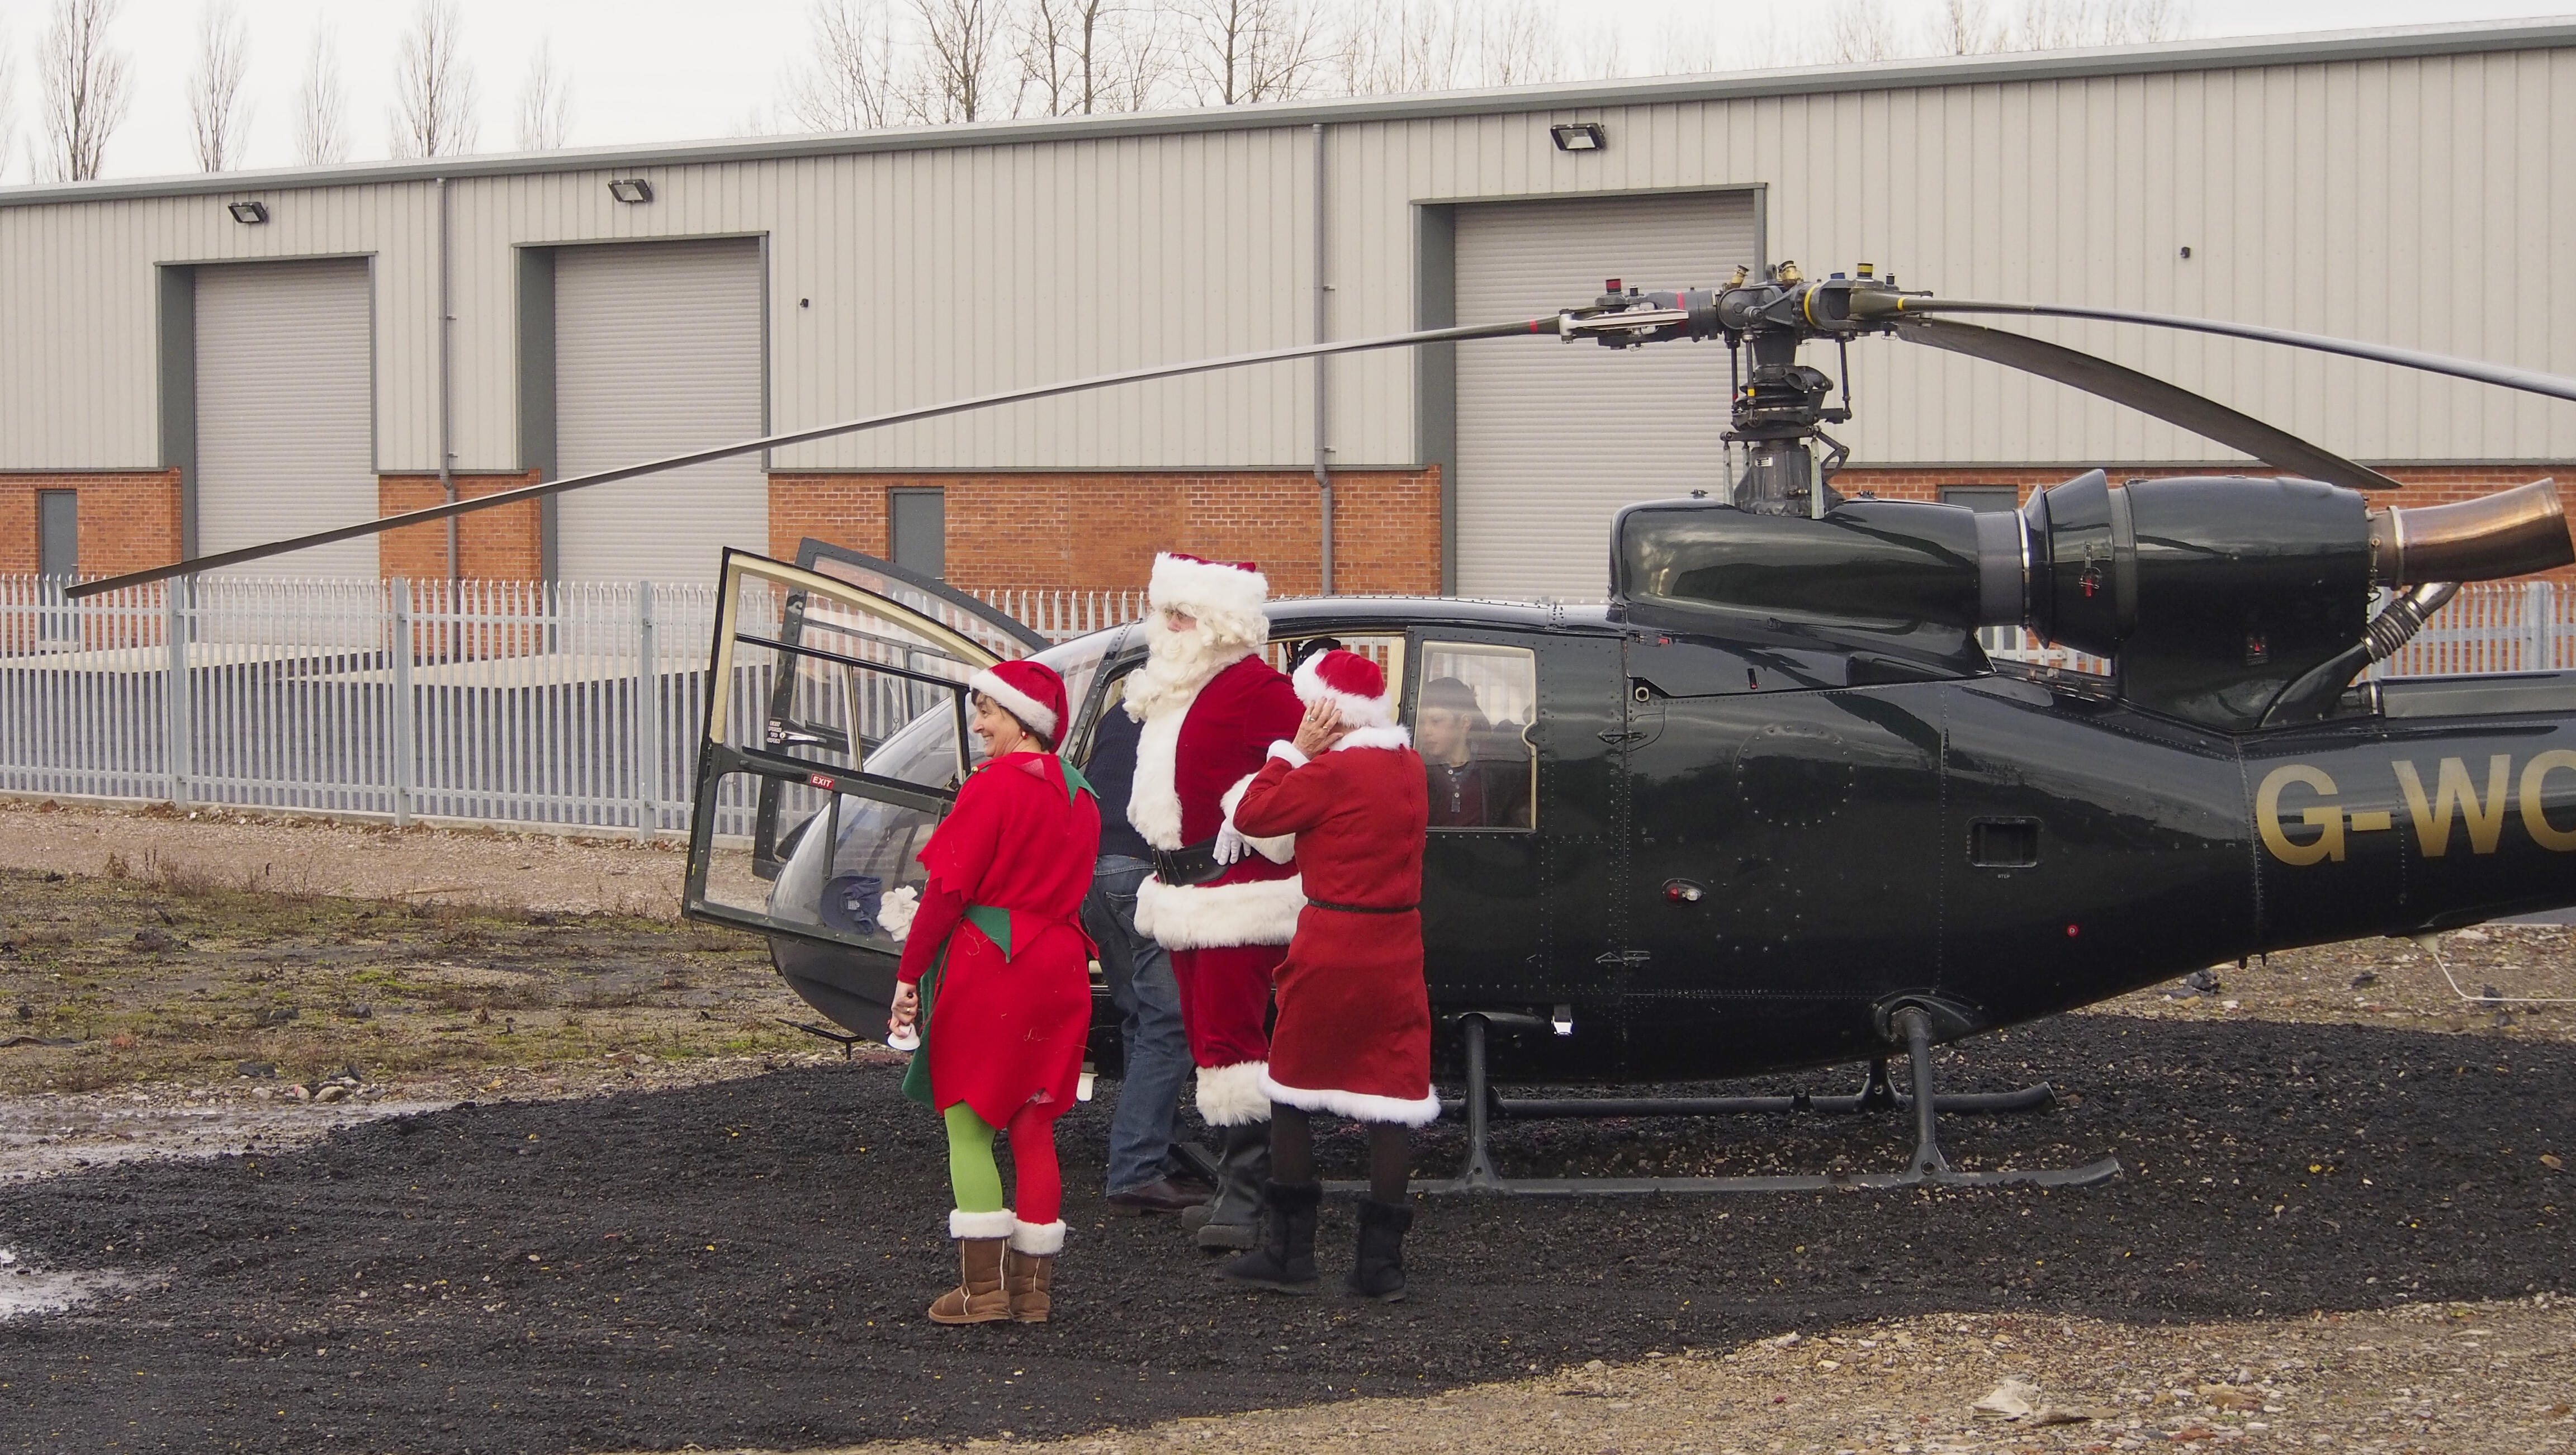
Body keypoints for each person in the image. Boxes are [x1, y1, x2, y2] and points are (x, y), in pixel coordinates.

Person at [882, 658, 1100, 1326]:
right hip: (1062, 963)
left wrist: (908, 974)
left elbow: (947, 893)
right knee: (1035, 1122)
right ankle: (1033, 1292)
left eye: (989, 712)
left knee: (969, 1121)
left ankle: (982, 1293)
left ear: (1024, 721)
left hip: (993, 961)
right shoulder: (1083, 792)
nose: (977, 724)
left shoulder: (991, 788)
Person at [1218, 648, 1435, 1300]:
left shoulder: (1332, 771)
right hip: (1398, 941)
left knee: (1292, 1090)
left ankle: (1290, 1257)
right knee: (1390, 1097)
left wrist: (1291, 748)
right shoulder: (1411, 765)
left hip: (1333, 939)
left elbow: (1252, 814)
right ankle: (1380, 1268)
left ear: (1325, 710)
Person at [1123, 552, 1306, 1252]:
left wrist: (1251, 805)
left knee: (1234, 1043)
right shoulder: (1179, 689)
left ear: (1223, 623)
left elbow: (1318, 763)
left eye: (1185, 614)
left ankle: (1253, 1198)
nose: (1170, 626)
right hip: (1181, 890)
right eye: (1166, 611)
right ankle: (1239, 1189)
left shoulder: (1257, 686)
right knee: (1208, 1042)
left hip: (1238, 894)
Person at [1079, 699, 1208, 1216]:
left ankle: (1159, 1143)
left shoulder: (1125, 707)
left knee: (1139, 1016)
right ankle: (1136, 1169)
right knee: (1170, 1024)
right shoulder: (1189, 708)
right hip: (1143, 872)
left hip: (1096, 873)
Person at [1417, 676, 1532, 830]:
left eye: (1436, 721)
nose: (1426, 731)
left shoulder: (1501, 771)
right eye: (1421, 722)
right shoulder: (1417, 771)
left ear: (1465, 723)